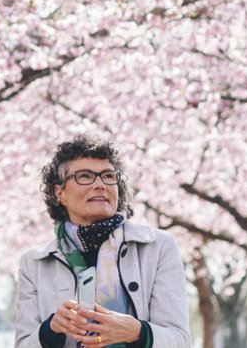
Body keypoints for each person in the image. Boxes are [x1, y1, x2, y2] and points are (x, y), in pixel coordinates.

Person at [15, 137, 191, 347]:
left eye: (108, 176)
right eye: (85, 176)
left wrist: (137, 333)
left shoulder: (158, 247)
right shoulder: (34, 263)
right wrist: (51, 330)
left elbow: (180, 340)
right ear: (59, 193)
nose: (100, 185)